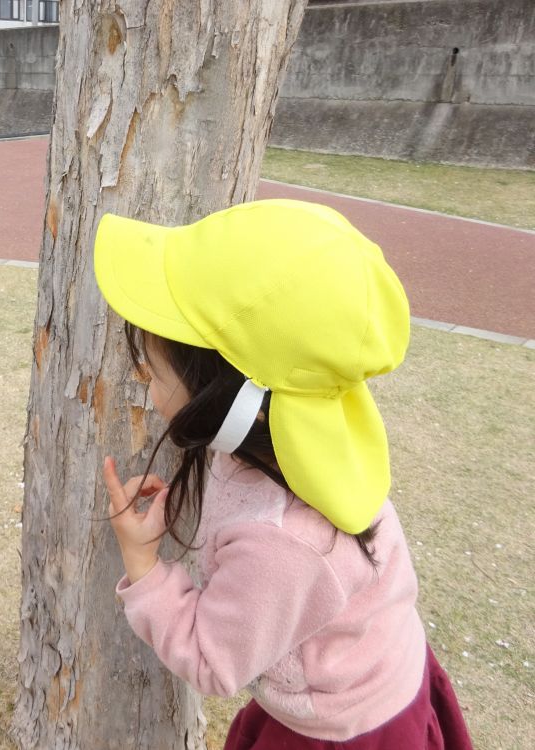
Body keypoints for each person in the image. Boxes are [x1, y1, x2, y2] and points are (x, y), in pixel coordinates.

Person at [93, 199, 473, 749]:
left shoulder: (283, 545)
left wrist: (143, 564)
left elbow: (211, 660)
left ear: (231, 393)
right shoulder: (299, 426)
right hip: (371, 671)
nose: (143, 380)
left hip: (343, 732)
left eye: (154, 369)